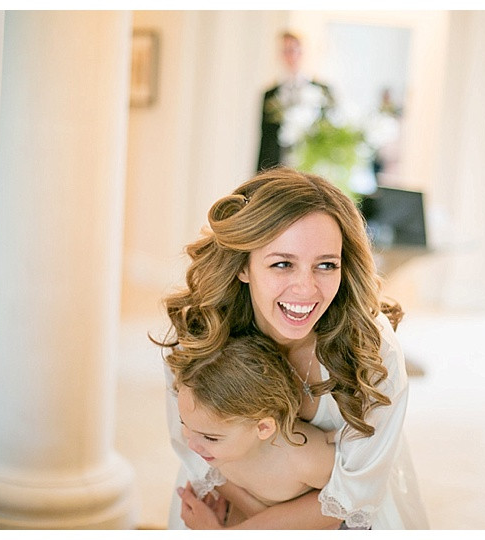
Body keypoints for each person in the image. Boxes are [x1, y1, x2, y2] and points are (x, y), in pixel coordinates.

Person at [158, 166, 429, 529]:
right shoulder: (200, 331)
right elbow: (198, 453)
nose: (306, 289)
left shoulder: (374, 351)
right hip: (226, 500)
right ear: (244, 266)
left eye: (326, 265)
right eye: (283, 264)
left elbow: (352, 498)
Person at [171, 333, 336, 529]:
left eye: (210, 438)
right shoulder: (218, 444)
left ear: (263, 428)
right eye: (186, 424)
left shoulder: (305, 460)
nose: (191, 444)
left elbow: (342, 507)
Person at [256, 31, 333, 172]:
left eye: (295, 50)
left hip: (312, 166)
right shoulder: (270, 94)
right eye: (286, 51)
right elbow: (265, 140)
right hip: (278, 166)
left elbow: (328, 133)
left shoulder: (322, 90)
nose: (291, 56)